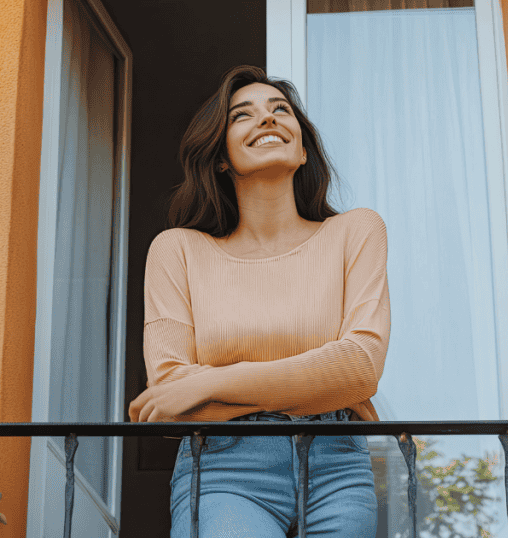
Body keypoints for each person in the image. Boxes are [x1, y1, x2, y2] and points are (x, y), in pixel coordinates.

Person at [128, 65, 390, 537]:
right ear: (220, 157)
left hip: (339, 467)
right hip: (224, 468)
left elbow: (359, 367)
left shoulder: (356, 232)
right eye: (242, 115)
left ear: (303, 148)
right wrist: (315, 381)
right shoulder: (178, 250)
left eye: (280, 109)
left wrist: (211, 381)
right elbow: (169, 399)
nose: (267, 119)